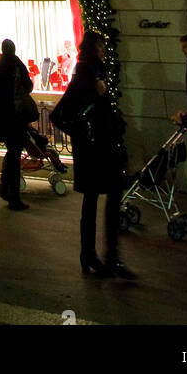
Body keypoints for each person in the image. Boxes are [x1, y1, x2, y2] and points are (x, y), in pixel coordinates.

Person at [59, 30, 135, 280]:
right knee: (95, 201)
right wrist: (82, 132)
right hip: (94, 150)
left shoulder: (97, 70)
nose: (104, 48)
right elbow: (62, 113)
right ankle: (94, 255)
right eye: (101, 44)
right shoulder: (86, 72)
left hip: (103, 147)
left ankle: (105, 255)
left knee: (107, 198)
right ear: (93, 47)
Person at [0, 38, 34, 210]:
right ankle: (12, 195)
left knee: (12, 151)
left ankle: (6, 188)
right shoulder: (17, 66)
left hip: (1, 115)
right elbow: (28, 86)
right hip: (16, 116)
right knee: (14, 154)